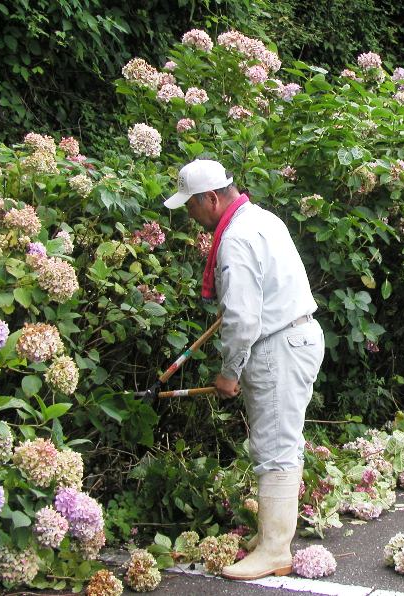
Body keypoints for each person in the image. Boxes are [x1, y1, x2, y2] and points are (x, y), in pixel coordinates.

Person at [163, 159, 324, 580]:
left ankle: (274, 550)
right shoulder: (263, 218)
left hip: (276, 347)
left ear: (211, 199)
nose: (190, 217)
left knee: (274, 446)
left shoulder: (234, 239)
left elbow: (242, 318)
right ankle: (271, 536)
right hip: (299, 335)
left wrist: (229, 373)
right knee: (279, 440)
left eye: (191, 207)